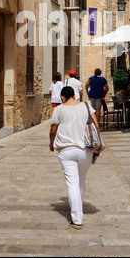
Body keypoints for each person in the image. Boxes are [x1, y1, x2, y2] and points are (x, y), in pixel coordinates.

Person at [49, 86, 99, 230]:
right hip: (85, 150)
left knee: (72, 183)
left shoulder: (59, 109)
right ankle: (77, 209)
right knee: (80, 180)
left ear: (63, 97)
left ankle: (77, 218)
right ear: (74, 95)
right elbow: (96, 125)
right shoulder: (86, 106)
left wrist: (51, 143)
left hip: (66, 150)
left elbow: (53, 130)